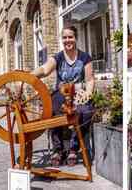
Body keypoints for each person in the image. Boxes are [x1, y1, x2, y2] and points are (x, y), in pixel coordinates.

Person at [32, 25, 95, 167]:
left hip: (78, 92)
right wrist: (28, 75)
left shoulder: (85, 58)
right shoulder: (58, 57)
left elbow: (90, 80)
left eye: (70, 37)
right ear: (62, 39)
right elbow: (45, 69)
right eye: (65, 37)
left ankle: (73, 148)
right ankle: (58, 150)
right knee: (52, 109)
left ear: (76, 38)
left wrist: (88, 93)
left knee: (85, 111)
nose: (68, 40)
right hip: (61, 93)